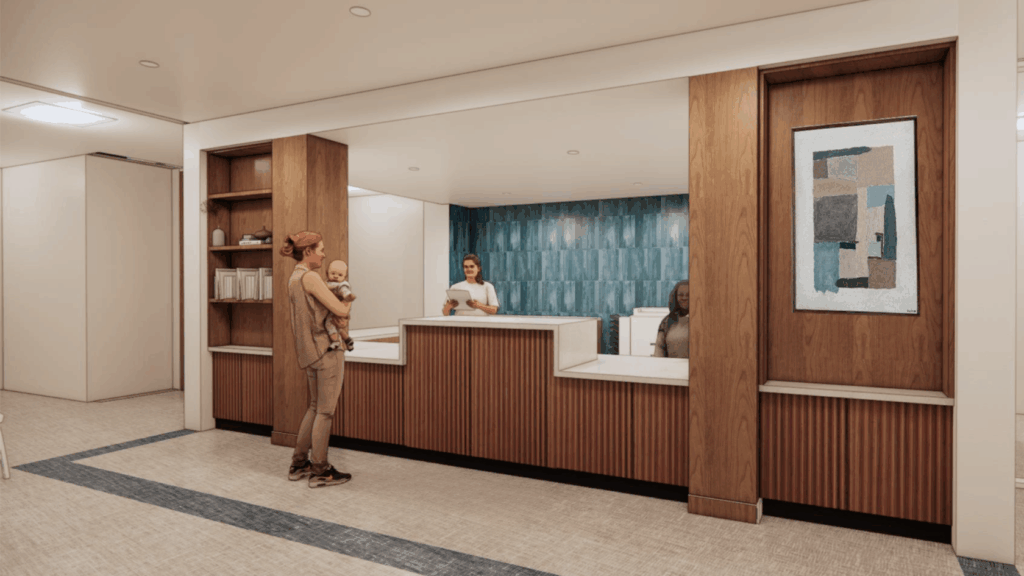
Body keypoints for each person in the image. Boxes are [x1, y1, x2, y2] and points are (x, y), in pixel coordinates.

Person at [281, 232, 353, 488]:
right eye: (320, 249)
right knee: (325, 411)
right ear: (308, 251)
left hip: (309, 352)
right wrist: (347, 303)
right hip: (326, 351)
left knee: (314, 407)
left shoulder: (294, 278)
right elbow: (341, 309)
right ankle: (320, 469)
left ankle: (299, 464)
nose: (323, 254)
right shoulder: (310, 277)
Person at [324, 260, 357, 352]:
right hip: (332, 308)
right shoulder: (326, 283)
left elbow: (343, 290)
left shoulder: (341, 284)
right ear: (327, 273)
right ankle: (348, 340)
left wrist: (347, 296)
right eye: (333, 273)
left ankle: (336, 342)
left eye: (340, 275)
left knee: (329, 324)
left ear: (344, 277)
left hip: (337, 308)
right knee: (337, 327)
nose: (336, 276)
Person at [654, 280, 689, 358]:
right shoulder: (667, 321)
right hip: (671, 365)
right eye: (680, 295)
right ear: (675, 297)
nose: (684, 298)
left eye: (688, 295)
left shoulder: (702, 320)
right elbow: (659, 348)